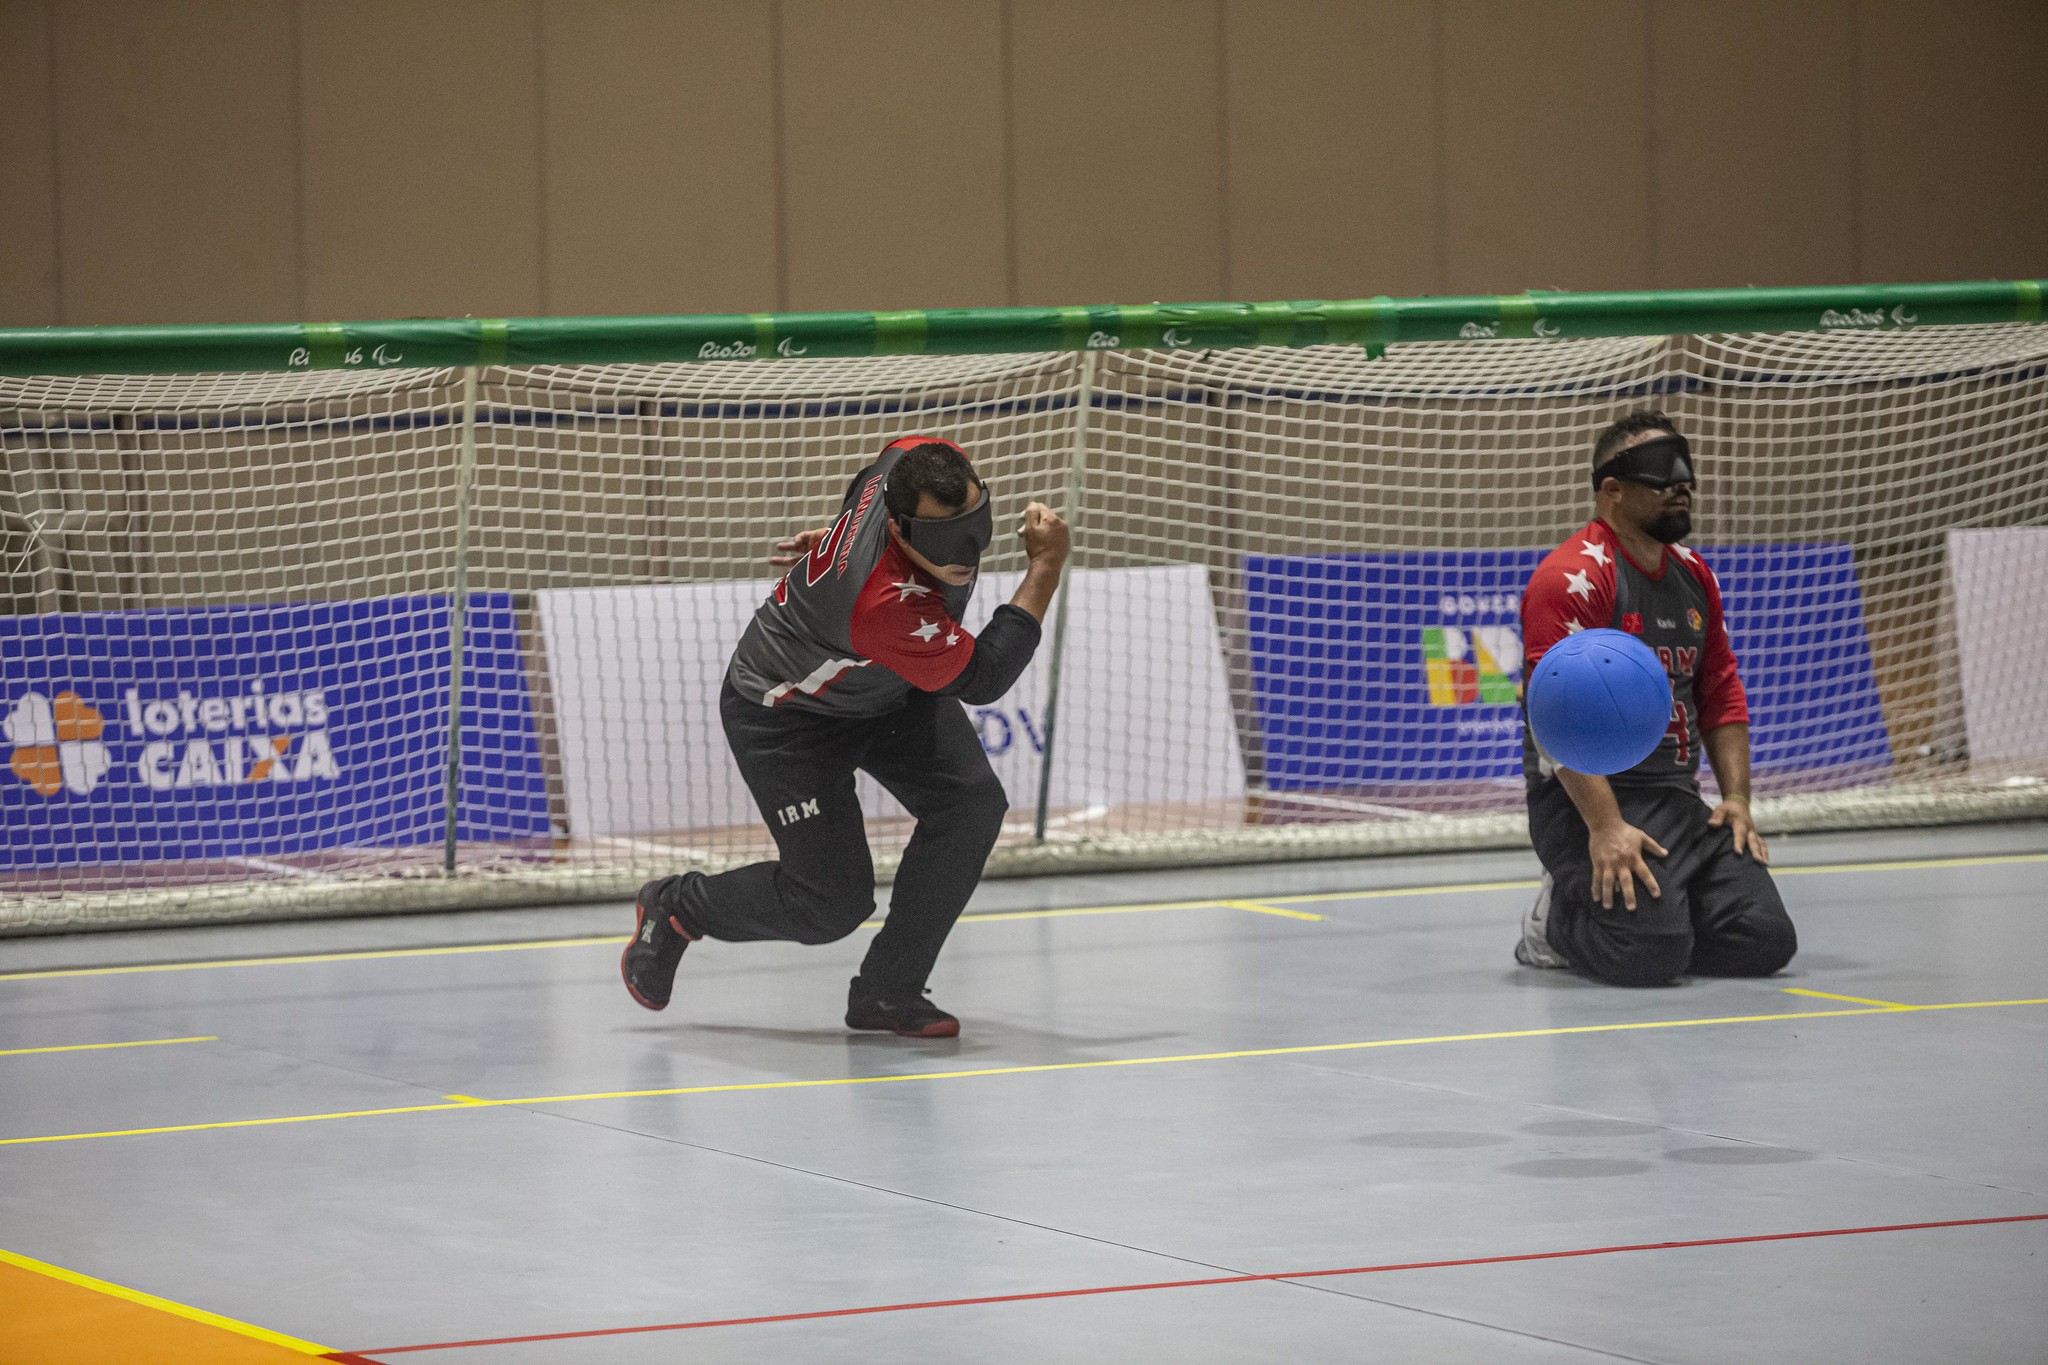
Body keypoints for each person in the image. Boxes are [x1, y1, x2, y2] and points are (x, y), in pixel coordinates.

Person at [621, 435, 1069, 1036]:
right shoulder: (883, 604)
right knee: (829, 905)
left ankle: (888, 992)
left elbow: (865, 477)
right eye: (941, 538)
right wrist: (1045, 565)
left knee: (970, 805)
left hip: (886, 687)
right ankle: (676, 906)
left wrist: (837, 542)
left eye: (976, 524)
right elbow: (985, 678)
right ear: (901, 525)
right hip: (789, 714)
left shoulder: (913, 454)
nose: (965, 553)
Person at [1515, 411, 1797, 987]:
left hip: (1675, 796)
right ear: (1612, 490)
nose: (1681, 487)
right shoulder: (1573, 577)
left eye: (1686, 478)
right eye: (1661, 477)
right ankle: (1556, 923)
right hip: (1586, 805)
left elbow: (1719, 689)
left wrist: (1737, 799)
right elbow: (1553, 717)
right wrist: (1605, 827)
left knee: (1765, 939)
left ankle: (1664, 913)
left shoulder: (1695, 575)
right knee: (1648, 956)